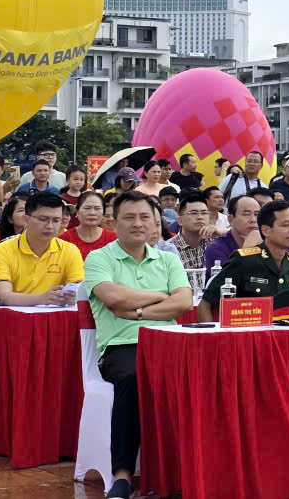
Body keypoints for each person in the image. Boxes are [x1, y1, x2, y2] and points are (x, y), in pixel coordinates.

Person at [84, 191, 191, 499]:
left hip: (170, 343)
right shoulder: (99, 258)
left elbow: (183, 302)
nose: (138, 223)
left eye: (145, 217)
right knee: (133, 377)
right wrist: (161, 296)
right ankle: (122, 474)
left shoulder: (168, 258)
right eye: (129, 217)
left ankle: (188, 469)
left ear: (156, 222)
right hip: (121, 346)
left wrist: (139, 310)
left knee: (202, 376)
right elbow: (113, 298)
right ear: (113, 222)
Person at [198, 201, 289, 320]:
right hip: (251, 334)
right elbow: (206, 303)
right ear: (265, 230)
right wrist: (213, 337)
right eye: (285, 225)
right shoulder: (244, 261)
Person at [0, 191, 84, 305]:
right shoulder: (3, 249)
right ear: (26, 220)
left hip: (54, 317)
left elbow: (78, 291)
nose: (50, 226)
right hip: (14, 318)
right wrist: (42, 299)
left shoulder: (70, 251)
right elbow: (3, 296)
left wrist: (72, 297)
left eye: (56, 220)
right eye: (43, 219)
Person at [203, 195, 260, 274]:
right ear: (230, 219)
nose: (253, 220)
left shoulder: (266, 244)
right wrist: (248, 250)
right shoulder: (216, 248)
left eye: (257, 214)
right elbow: (229, 280)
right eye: (246, 214)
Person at [59, 191, 117, 259]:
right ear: (77, 211)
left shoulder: (113, 239)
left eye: (97, 208)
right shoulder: (64, 239)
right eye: (87, 208)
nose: (92, 213)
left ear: (103, 213)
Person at [167, 191, 210, 272]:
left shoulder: (214, 243)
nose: (200, 217)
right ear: (180, 221)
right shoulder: (169, 248)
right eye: (193, 213)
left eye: (204, 213)